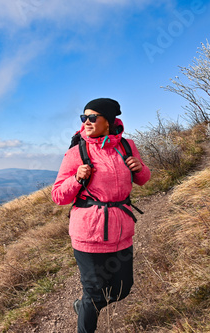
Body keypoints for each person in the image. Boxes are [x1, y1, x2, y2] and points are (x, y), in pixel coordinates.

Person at [51, 98, 151, 333]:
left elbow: (144, 179)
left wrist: (140, 168)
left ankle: (83, 305)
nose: (86, 122)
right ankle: (87, 312)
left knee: (122, 289)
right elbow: (58, 195)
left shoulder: (127, 146)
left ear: (109, 121)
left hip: (121, 231)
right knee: (95, 292)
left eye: (92, 117)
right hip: (88, 233)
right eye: (83, 117)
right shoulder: (78, 152)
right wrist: (76, 179)